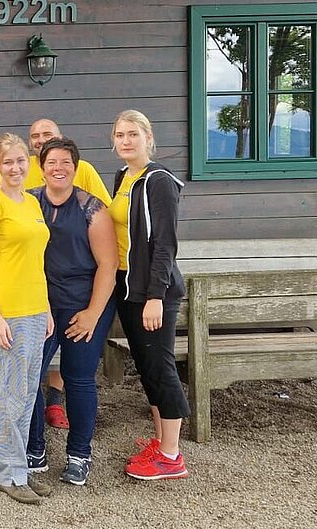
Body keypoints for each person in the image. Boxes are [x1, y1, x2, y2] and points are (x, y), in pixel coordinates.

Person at [23, 138, 118, 486]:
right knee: (30, 376)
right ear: (42, 166)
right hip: (40, 304)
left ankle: (79, 454)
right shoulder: (29, 202)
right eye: (51, 162)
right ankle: (35, 448)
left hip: (84, 302)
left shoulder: (92, 208)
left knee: (78, 377)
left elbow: (108, 265)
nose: (58, 168)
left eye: (65, 162)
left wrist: (93, 312)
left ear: (75, 168)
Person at [109, 110, 191, 480]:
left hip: (153, 292)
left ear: (148, 138)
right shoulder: (124, 177)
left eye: (132, 135)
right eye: (120, 135)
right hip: (128, 288)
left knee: (161, 367)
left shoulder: (159, 181)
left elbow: (164, 244)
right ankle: (160, 442)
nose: (126, 141)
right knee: (145, 368)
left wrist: (155, 295)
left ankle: (172, 456)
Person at [0, 133, 54, 505]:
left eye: (21, 161)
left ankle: (20, 468)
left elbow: (37, 261)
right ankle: (7, 473)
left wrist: (48, 308)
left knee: (26, 394)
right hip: (8, 312)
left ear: (30, 163)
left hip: (36, 308)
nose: (15, 167)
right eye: (8, 162)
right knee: (6, 395)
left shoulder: (33, 203)